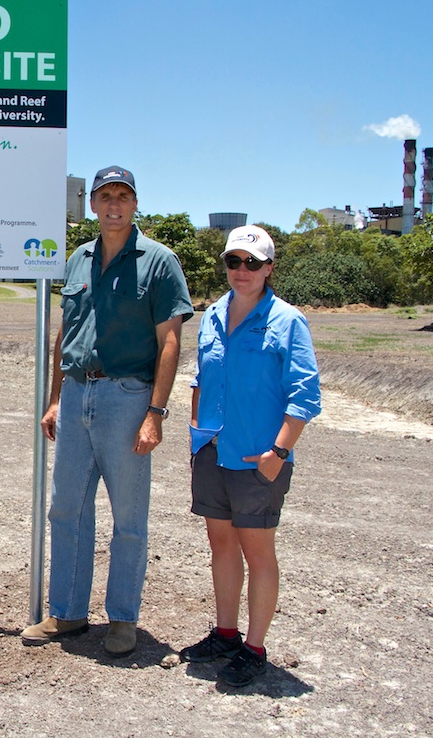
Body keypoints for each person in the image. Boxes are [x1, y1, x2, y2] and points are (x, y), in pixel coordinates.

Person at [21, 166, 193, 657]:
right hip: (76, 395)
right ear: (92, 205)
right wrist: (55, 398)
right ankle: (69, 613)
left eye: (123, 195)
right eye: (105, 196)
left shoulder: (160, 262)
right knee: (66, 508)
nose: (114, 204)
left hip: (128, 397)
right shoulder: (77, 259)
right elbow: (65, 334)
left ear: (135, 204)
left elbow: (171, 341)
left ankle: (123, 619)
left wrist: (155, 412)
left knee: (129, 517)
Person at [179, 225, 321, 687]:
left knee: (258, 553)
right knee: (221, 545)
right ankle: (225, 633)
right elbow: (202, 379)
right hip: (212, 451)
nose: (242, 271)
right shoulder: (214, 314)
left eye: (253, 263)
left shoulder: (287, 320)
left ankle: (254, 649)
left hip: (258, 459)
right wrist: (196, 436)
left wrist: (279, 451)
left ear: (269, 268)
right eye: (234, 262)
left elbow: (306, 394)